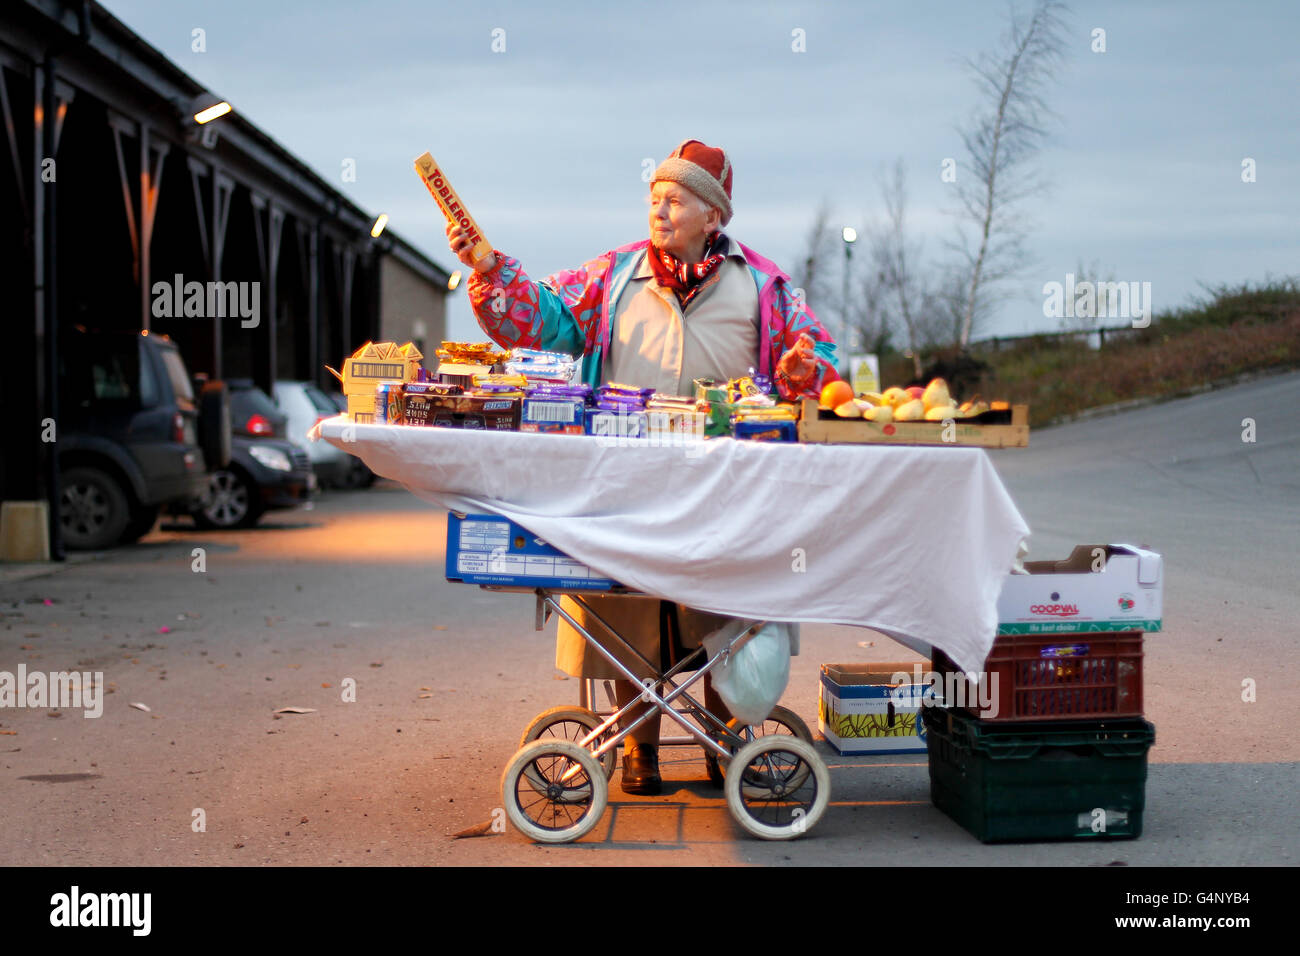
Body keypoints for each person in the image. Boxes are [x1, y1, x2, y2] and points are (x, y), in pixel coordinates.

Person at [446, 139, 838, 795]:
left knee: (723, 617)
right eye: (655, 197)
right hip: (624, 484)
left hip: (728, 487)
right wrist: (487, 265)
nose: (660, 209)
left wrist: (805, 370)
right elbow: (535, 316)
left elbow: (817, 360)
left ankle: (726, 745)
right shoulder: (612, 277)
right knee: (626, 618)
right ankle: (637, 749)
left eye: (676, 199)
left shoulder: (765, 286)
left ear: (714, 217)